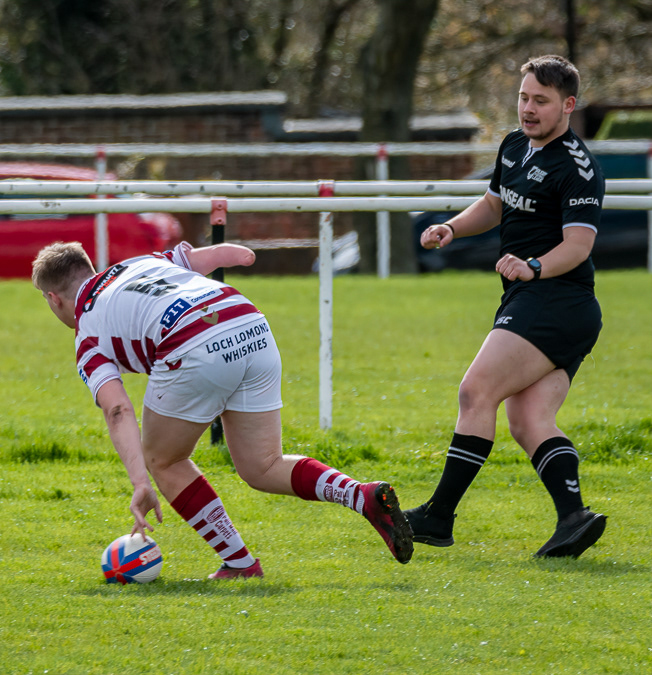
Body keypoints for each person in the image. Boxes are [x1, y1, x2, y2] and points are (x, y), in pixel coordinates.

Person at [32, 240, 414, 577]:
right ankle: (361, 495)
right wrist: (242, 255)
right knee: (262, 465)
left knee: (164, 460)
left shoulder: (87, 337)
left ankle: (240, 564)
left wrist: (140, 482)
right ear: (91, 269)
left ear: (54, 298)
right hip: (248, 322)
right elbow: (217, 256)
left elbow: (117, 410)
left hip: (192, 340)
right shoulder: (139, 263)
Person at [405, 54, 607, 558]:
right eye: (523, 97)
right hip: (540, 299)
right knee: (529, 417)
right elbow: (494, 205)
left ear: (568, 105)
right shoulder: (515, 145)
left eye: (541, 101)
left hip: (557, 299)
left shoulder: (578, 166)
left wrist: (533, 267)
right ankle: (573, 518)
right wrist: (451, 226)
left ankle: (437, 516)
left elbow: (578, 247)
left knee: (476, 392)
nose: (528, 109)